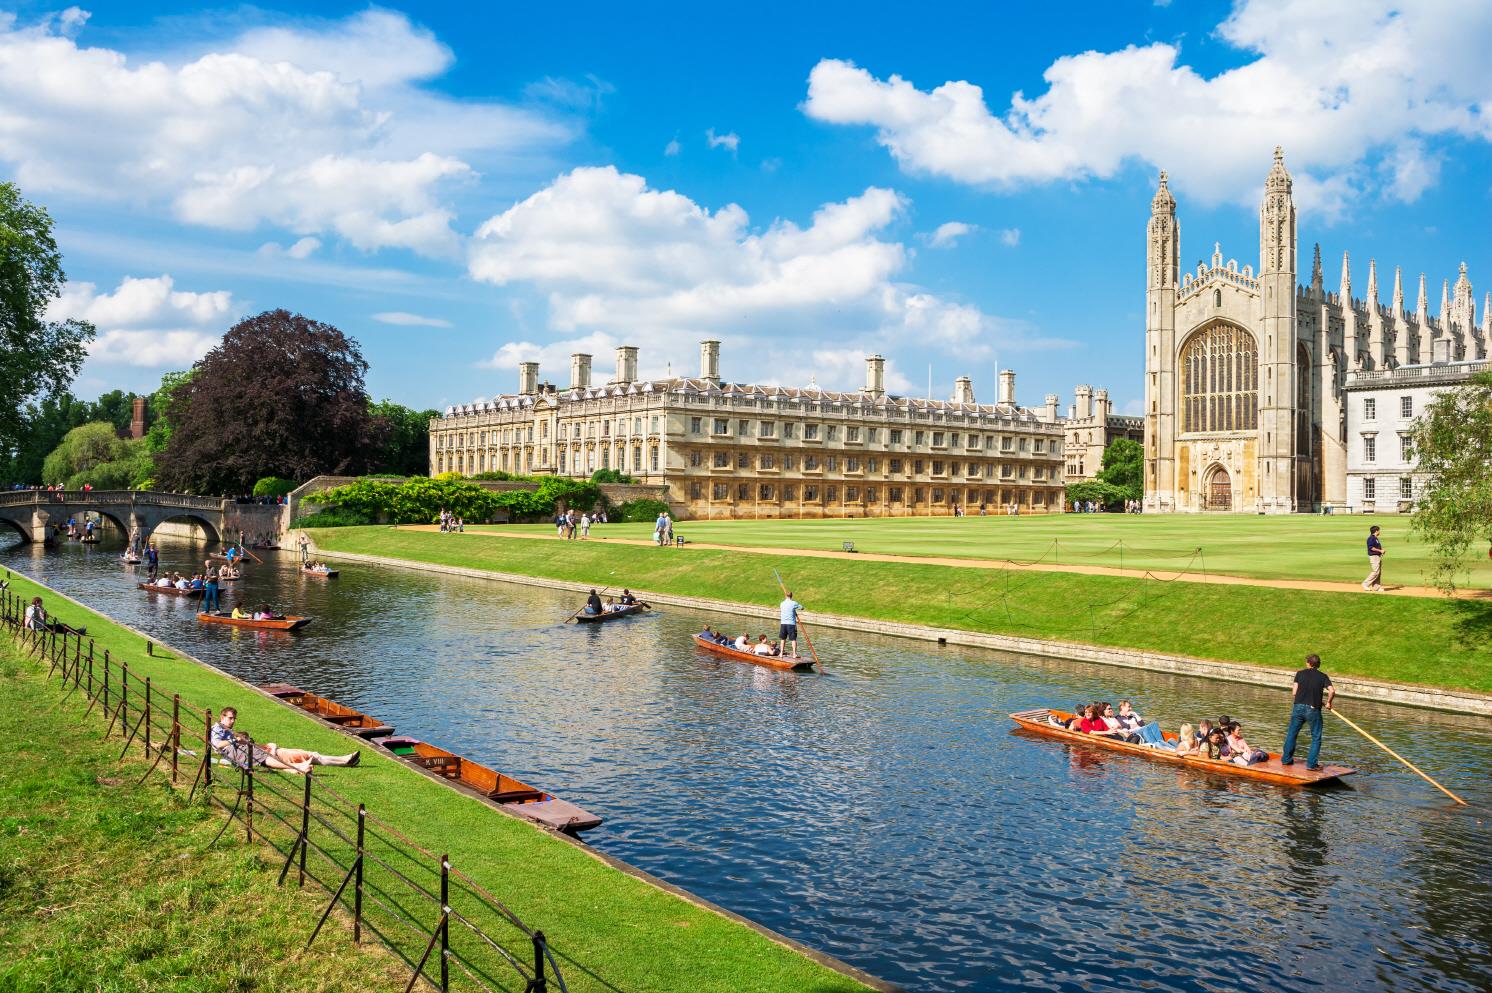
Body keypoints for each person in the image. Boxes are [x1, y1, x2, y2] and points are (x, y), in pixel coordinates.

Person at [210, 708, 360, 773]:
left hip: (268, 750)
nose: (232, 721)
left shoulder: (229, 731)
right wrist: (236, 740)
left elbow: (246, 744)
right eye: (230, 718)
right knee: (305, 757)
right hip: (264, 754)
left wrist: (267, 746)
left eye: (234, 718)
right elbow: (217, 745)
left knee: (311, 754)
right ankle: (298, 768)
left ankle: (344, 760)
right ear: (222, 717)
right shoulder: (218, 729)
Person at [1281, 653, 1335, 771]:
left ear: (1308, 663)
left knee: (1292, 734)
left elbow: (1294, 693)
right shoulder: (1323, 676)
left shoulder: (1300, 674)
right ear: (1318, 665)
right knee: (1316, 737)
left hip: (1298, 707)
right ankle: (1311, 765)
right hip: (1313, 709)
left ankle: (1286, 760)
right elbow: (1332, 691)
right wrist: (1329, 703)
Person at [778, 590, 803, 659]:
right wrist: (795, 607)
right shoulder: (793, 603)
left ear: (785, 596)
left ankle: (781, 653)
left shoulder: (782, 603)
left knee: (783, 639)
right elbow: (802, 607)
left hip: (783, 623)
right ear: (791, 596)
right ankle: (794, 654)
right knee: (793, 639)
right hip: (791, 624)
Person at [1363, 525, 1385, 592]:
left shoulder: (1375, 538)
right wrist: (1380, 551)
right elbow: (1371, 547)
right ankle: (1365, 584)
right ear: (1376, 531)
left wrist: (1381, 551)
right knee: (1375, 571)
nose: (1379, 532)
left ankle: (1376, 587)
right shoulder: (1371, 538)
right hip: (1374, 557)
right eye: (1379, 530)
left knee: (1378, 572)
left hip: (1377, 556)